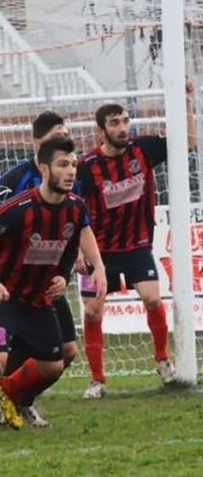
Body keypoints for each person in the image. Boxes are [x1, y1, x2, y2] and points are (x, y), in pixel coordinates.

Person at [0, 137, 104, 449]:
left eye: (74, 165)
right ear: (44, 167)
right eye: (63, 164)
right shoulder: (17, 209)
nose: (70, 171)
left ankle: (8, 392)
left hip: (36, 302)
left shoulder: (76, 209)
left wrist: (63, 277)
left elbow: (69, 246)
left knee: (54, 364)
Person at [0, 112, 105, 428]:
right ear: (38, 143)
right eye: (56, 137)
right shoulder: (13, 181)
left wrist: (76, 261)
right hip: (16, 282)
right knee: (33, 351)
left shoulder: (68, 178)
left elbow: (75, 225)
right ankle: (1, 398)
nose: (64, 147)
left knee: (66, 353)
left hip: (47, 282)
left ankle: (19, 399)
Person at [76, 92, 194, 398]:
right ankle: (98, 380)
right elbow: (72, 208)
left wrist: (187, 104)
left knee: (152, 298)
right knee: (92, 312)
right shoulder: (86, 166)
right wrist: (77, 249)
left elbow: (188, 142)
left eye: (125, 121)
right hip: (99, 251)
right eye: (115, 123)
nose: (123, 127)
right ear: (101, 131)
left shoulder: (143, 149)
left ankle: (163, 361)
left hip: (137, 245)